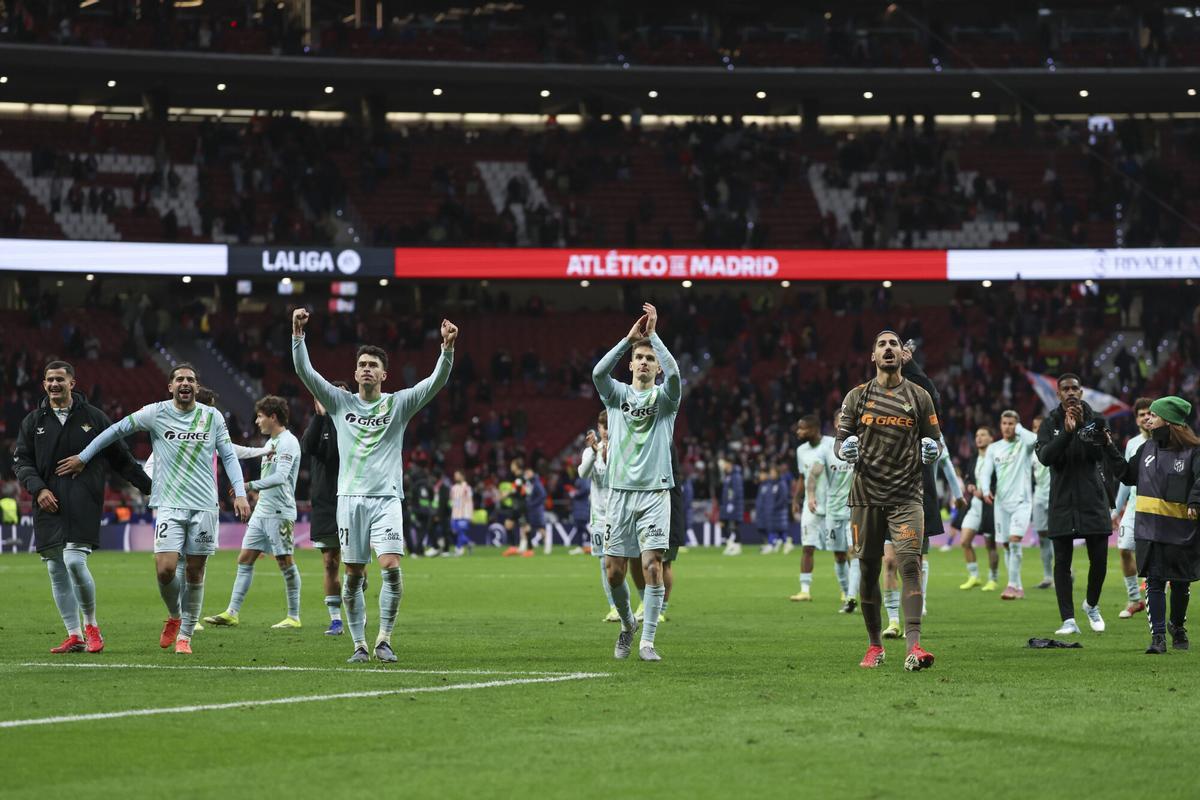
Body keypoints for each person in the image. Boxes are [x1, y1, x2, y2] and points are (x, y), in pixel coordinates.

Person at [292, 307, 456, 663]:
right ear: (355, 372)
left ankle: (384, 638)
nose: (367, 368)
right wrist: (298, 337)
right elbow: (306, 372)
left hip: (387, 500)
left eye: (373, 365)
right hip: (349, 501)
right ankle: (359, 645)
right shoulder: (340, 402)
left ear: (384, 373)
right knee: (351, 575)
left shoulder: (397, 404)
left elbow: (435, 383)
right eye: (362, 364)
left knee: (391, 567)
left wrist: (446, 350)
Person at [57, 363, 251, 655]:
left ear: (196, 388)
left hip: (204, 506)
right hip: (169, 504)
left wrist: (239, 491)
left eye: (191, 380)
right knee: (165, 570)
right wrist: (84, 456)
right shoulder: (155, 412)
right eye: (180, 379)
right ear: (170, 386)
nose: (185, 383)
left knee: (195, 572)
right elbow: (114, 431)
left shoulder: (212, 417)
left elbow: (228, 456)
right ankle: (174, 615)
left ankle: (185, 636)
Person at [15, 360, 152, 655]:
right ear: (44, 384)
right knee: (55, 568)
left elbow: (122, 458)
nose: (54, 384)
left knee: (74, 562)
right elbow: (22, 462)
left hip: (82, 501)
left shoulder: (94, 418)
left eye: (60, 380)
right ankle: (73, 634)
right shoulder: (33, 421)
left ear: (72, 383)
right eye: (49, 380)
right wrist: (38, 490)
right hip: (47, 504)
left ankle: (91, 625)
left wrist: (151, 488)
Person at [835, 329, 941, 671]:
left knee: (910, 564)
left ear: (900, 353)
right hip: (865, 497)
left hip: (907, 496)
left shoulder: (920, 396)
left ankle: (915, 646)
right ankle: (874, 645)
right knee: (868, 570)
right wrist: (845, 449)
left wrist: (931, 450)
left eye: (893, 343)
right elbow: (840, 443)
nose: (888, 349)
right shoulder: (856, 397)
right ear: (873, 356)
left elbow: (936, 442)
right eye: (881, 344)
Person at [592, 302, 680, 662]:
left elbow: (676, 376)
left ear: (656, 366)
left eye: (649, 358)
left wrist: (654, 335)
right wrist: (626, 340)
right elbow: (598, 374)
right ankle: (628, 626)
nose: (644, 361)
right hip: (619, 493)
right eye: (639, 357)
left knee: (652, 564)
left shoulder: (665, 400)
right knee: (614, 572)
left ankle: (647, 640)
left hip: (656, 492)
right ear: (630, 364)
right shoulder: (616, 396)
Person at [204, 396, 303, 629]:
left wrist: (249, 486)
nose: (257, 421)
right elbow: (246, 453)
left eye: (260, 416)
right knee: (245, 558)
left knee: (285, 560)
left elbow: (280, 478)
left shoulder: (288, 442)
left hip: (280, 511)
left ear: (273, 417)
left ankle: (294, 616)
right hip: (263, 510)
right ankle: (232, 612)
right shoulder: (271, 444)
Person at [1111, 396, 1200, 653]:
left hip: (1182, 529)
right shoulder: (1146, 448)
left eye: (1154, 415)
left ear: (1170, 422)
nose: (1148, 419)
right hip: (1150, 528)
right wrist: (1108, 448)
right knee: (1154, 581)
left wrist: (1195, 499)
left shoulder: (1194, 451)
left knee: (1181, 584)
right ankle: (1158, 637)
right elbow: (1127, 475)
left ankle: (1177, 625)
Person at [1035, 373, 1115, 636]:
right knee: (1062, 562)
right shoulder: (1049, 423)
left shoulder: (1096, 420)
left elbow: (1098, 455)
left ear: (1081, 392)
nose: (1070, 392)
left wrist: (1081, 428)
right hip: (1062, 501)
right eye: (1065, 389)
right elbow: (1046, 457)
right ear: (1058, 394)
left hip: (1093, 499)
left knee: (1100, 560)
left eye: (1075, 388)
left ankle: (1091, 605)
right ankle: (1068, 619)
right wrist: (1067, 435)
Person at [302, 381, 350, 634]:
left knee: (354, 565)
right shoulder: (319, 423)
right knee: (330, 562)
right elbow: (307, 448)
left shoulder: (353, 423)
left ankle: (355, 610)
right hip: (325, 502)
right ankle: (336, 620)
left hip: (351, 499)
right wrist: (320, 416)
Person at [978, 410, 1039, 600]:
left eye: (1011, 423)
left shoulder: (1024, 445)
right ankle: (1018, 585)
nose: (1007, 427)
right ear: (1000, 425)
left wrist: (1020, 428)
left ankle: (1011, 585)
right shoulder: (994, 448)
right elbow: (986, 472)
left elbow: (1034, 439)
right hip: (1001, 504)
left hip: (1021, 502)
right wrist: (986, 488)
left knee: (1014, 541)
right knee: (1005, 544)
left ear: (1018, 425)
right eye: (1004, 423)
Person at [791, 415, 851, 603]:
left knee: (840, 552)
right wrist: (796, 499)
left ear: (814, 429)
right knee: (807, 546)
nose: (798, 432)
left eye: (802, 428)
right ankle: (804, 589)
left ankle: (846, 590)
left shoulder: (832, 445)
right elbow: (803, 476)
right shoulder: (801, 451)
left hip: (834, 506)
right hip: (812, 506)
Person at [1112, 398, 1154, 618]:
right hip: (1135, 505)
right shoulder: (1132, 444)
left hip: (1157, 508)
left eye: (1149, 413)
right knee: (1124, 549)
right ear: (1136, 419)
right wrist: (1116, 509)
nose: (1146, 417)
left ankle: (1154, 598)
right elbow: (1125, 480)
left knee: (1154, 556)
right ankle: (1134, 599)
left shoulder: (1167, 441)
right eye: (1141, 414)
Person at [579, 411, 618, 621]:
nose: (607, 431)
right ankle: (614, 607)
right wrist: (594, 453)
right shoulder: (590, 452)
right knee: (605, 563)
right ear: (599, 427)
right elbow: (582, 474)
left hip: (621, 514)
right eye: (604, 426)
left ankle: (635, 604)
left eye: (610, 426)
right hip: (599, 517)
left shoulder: (623, 449)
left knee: (623, 562)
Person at [958, 427, 1000, 591]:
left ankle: (993, 578)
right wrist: (970, 486)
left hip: (990, 506)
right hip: (975, 505)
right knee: (964, 541)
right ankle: (974, 576)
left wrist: (989, 492)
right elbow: (969, 477)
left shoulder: (997, 458)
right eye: (977, 435)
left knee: (990, 545)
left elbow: (1001, 480)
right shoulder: (974, 457)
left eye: (983, 435)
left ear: (991, 438)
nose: (979, 438)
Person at [662, 442, 687, 623]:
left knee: (664, 564)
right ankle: (652, 607)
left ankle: (660, 609)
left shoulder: (665, 445)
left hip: (669, 520)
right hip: (666, 518)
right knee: (657, 563)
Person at [1031, 416, 1054, 589]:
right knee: (1042, 536)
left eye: (1040, 427)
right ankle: (1047, 576)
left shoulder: (1055, 446)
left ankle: (1063, 571)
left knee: (1058, 536)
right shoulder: (1030, 450)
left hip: (1055, 494)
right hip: (1038, 495)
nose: (1037, 430)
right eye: (1035, 427)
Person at [719, 457, 744, 555]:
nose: (722, 466)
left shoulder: (736, 476)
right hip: (727, 505)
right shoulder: (728, 475)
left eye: (724, 463)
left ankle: (737, 545)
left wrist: (732, 503)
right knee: (723, 524)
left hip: (734, 505)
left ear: (729, 463)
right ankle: (731, 544)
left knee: (734, 526)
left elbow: (736, 492)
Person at [522, 465, 547, 555]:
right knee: (527, 528)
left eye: (528, 473)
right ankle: (527, 547)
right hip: (531, 510)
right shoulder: (529, 483)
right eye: (526, 473)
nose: (527, 474)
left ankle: (547, 546)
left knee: (541, 528)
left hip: (537, 510)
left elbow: (543, 495)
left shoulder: (536, 483)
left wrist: (533, 504)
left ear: (532, 473)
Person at [450, 470, 474, 556]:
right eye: (455, 475)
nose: (455, 477)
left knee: (461, 532)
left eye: (457, 475)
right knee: (456, 532)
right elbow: (452, 501)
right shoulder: (453, 488)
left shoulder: (467, 488)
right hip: (454, 514)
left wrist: (471, 515)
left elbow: (470, 501)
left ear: (462, 476)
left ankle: (459, 549)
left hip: (463, 514)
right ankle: (469, 543)